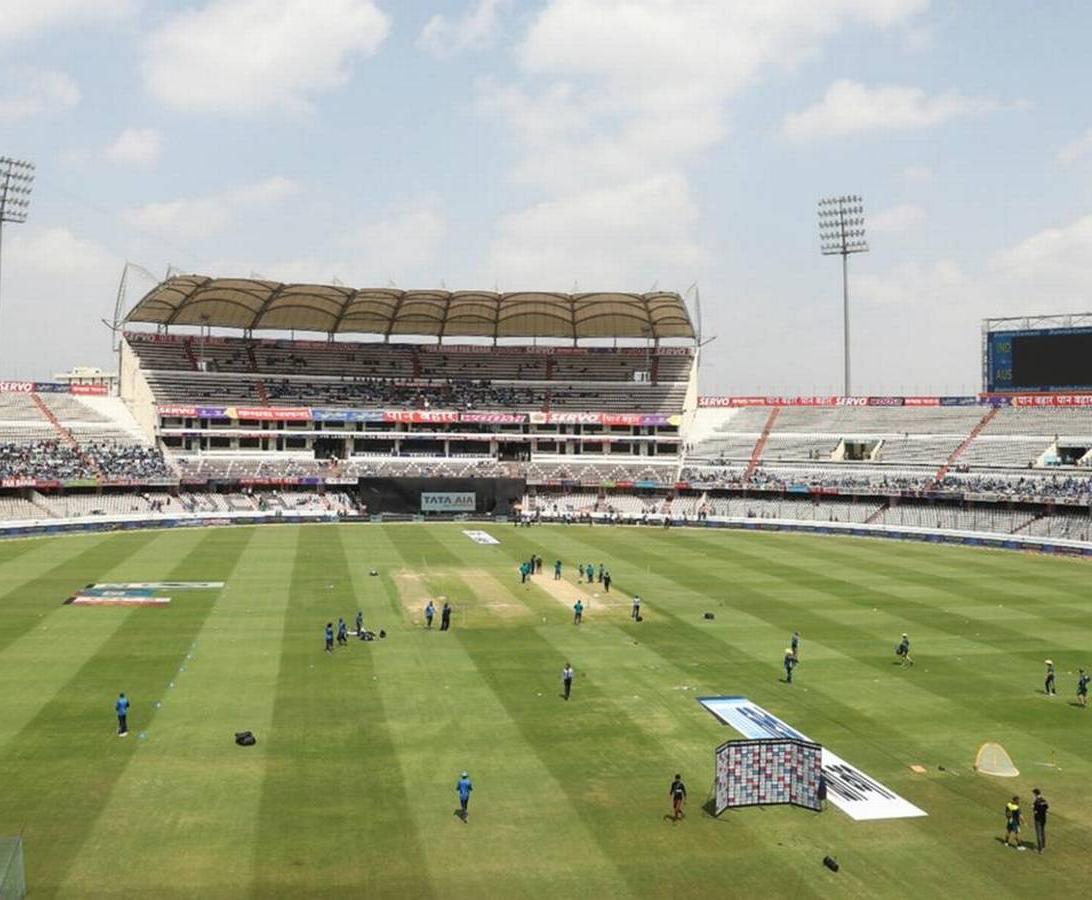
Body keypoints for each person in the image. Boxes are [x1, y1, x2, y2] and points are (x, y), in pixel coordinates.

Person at [1032, 788, 1049, 853]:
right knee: (1042, 832)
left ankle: (1040, 849)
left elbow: (1035, 811)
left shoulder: (1036, 801)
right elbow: (1047, 808)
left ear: (1035, 794)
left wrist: (1033, 807)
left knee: (1038, 833)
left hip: (1038, 819)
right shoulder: (1044, 800)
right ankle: (1043, 846)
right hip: (1043, 819)